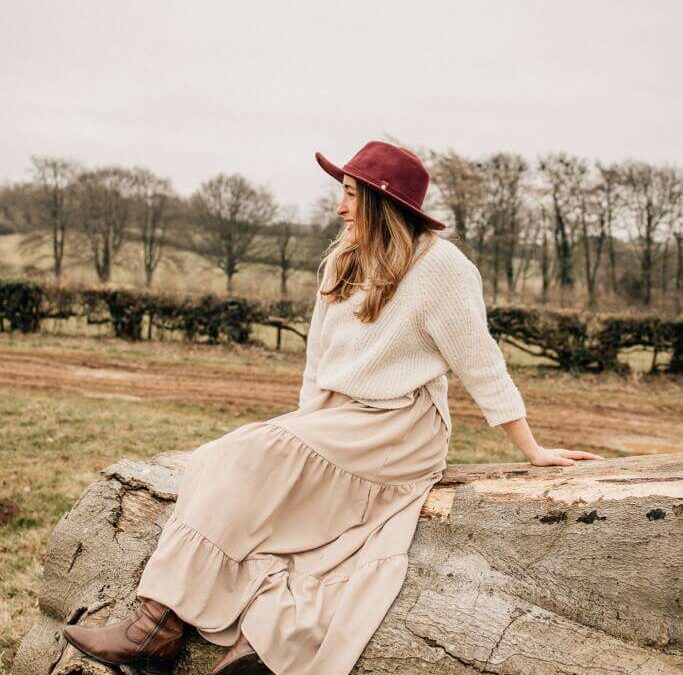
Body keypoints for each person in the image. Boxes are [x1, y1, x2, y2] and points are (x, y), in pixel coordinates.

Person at [62, 140, 603, 675]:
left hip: (399, 428)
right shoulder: (341, 259)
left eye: (349, 194)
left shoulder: (443, 268)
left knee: (242, 454)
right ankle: (162, 627)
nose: (340, 206)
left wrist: (530, 448)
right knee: (219, 459)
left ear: (379, 200)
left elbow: (479, 361)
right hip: (335, 420)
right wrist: (301, 429)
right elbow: (317, 362)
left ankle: (152, 629)